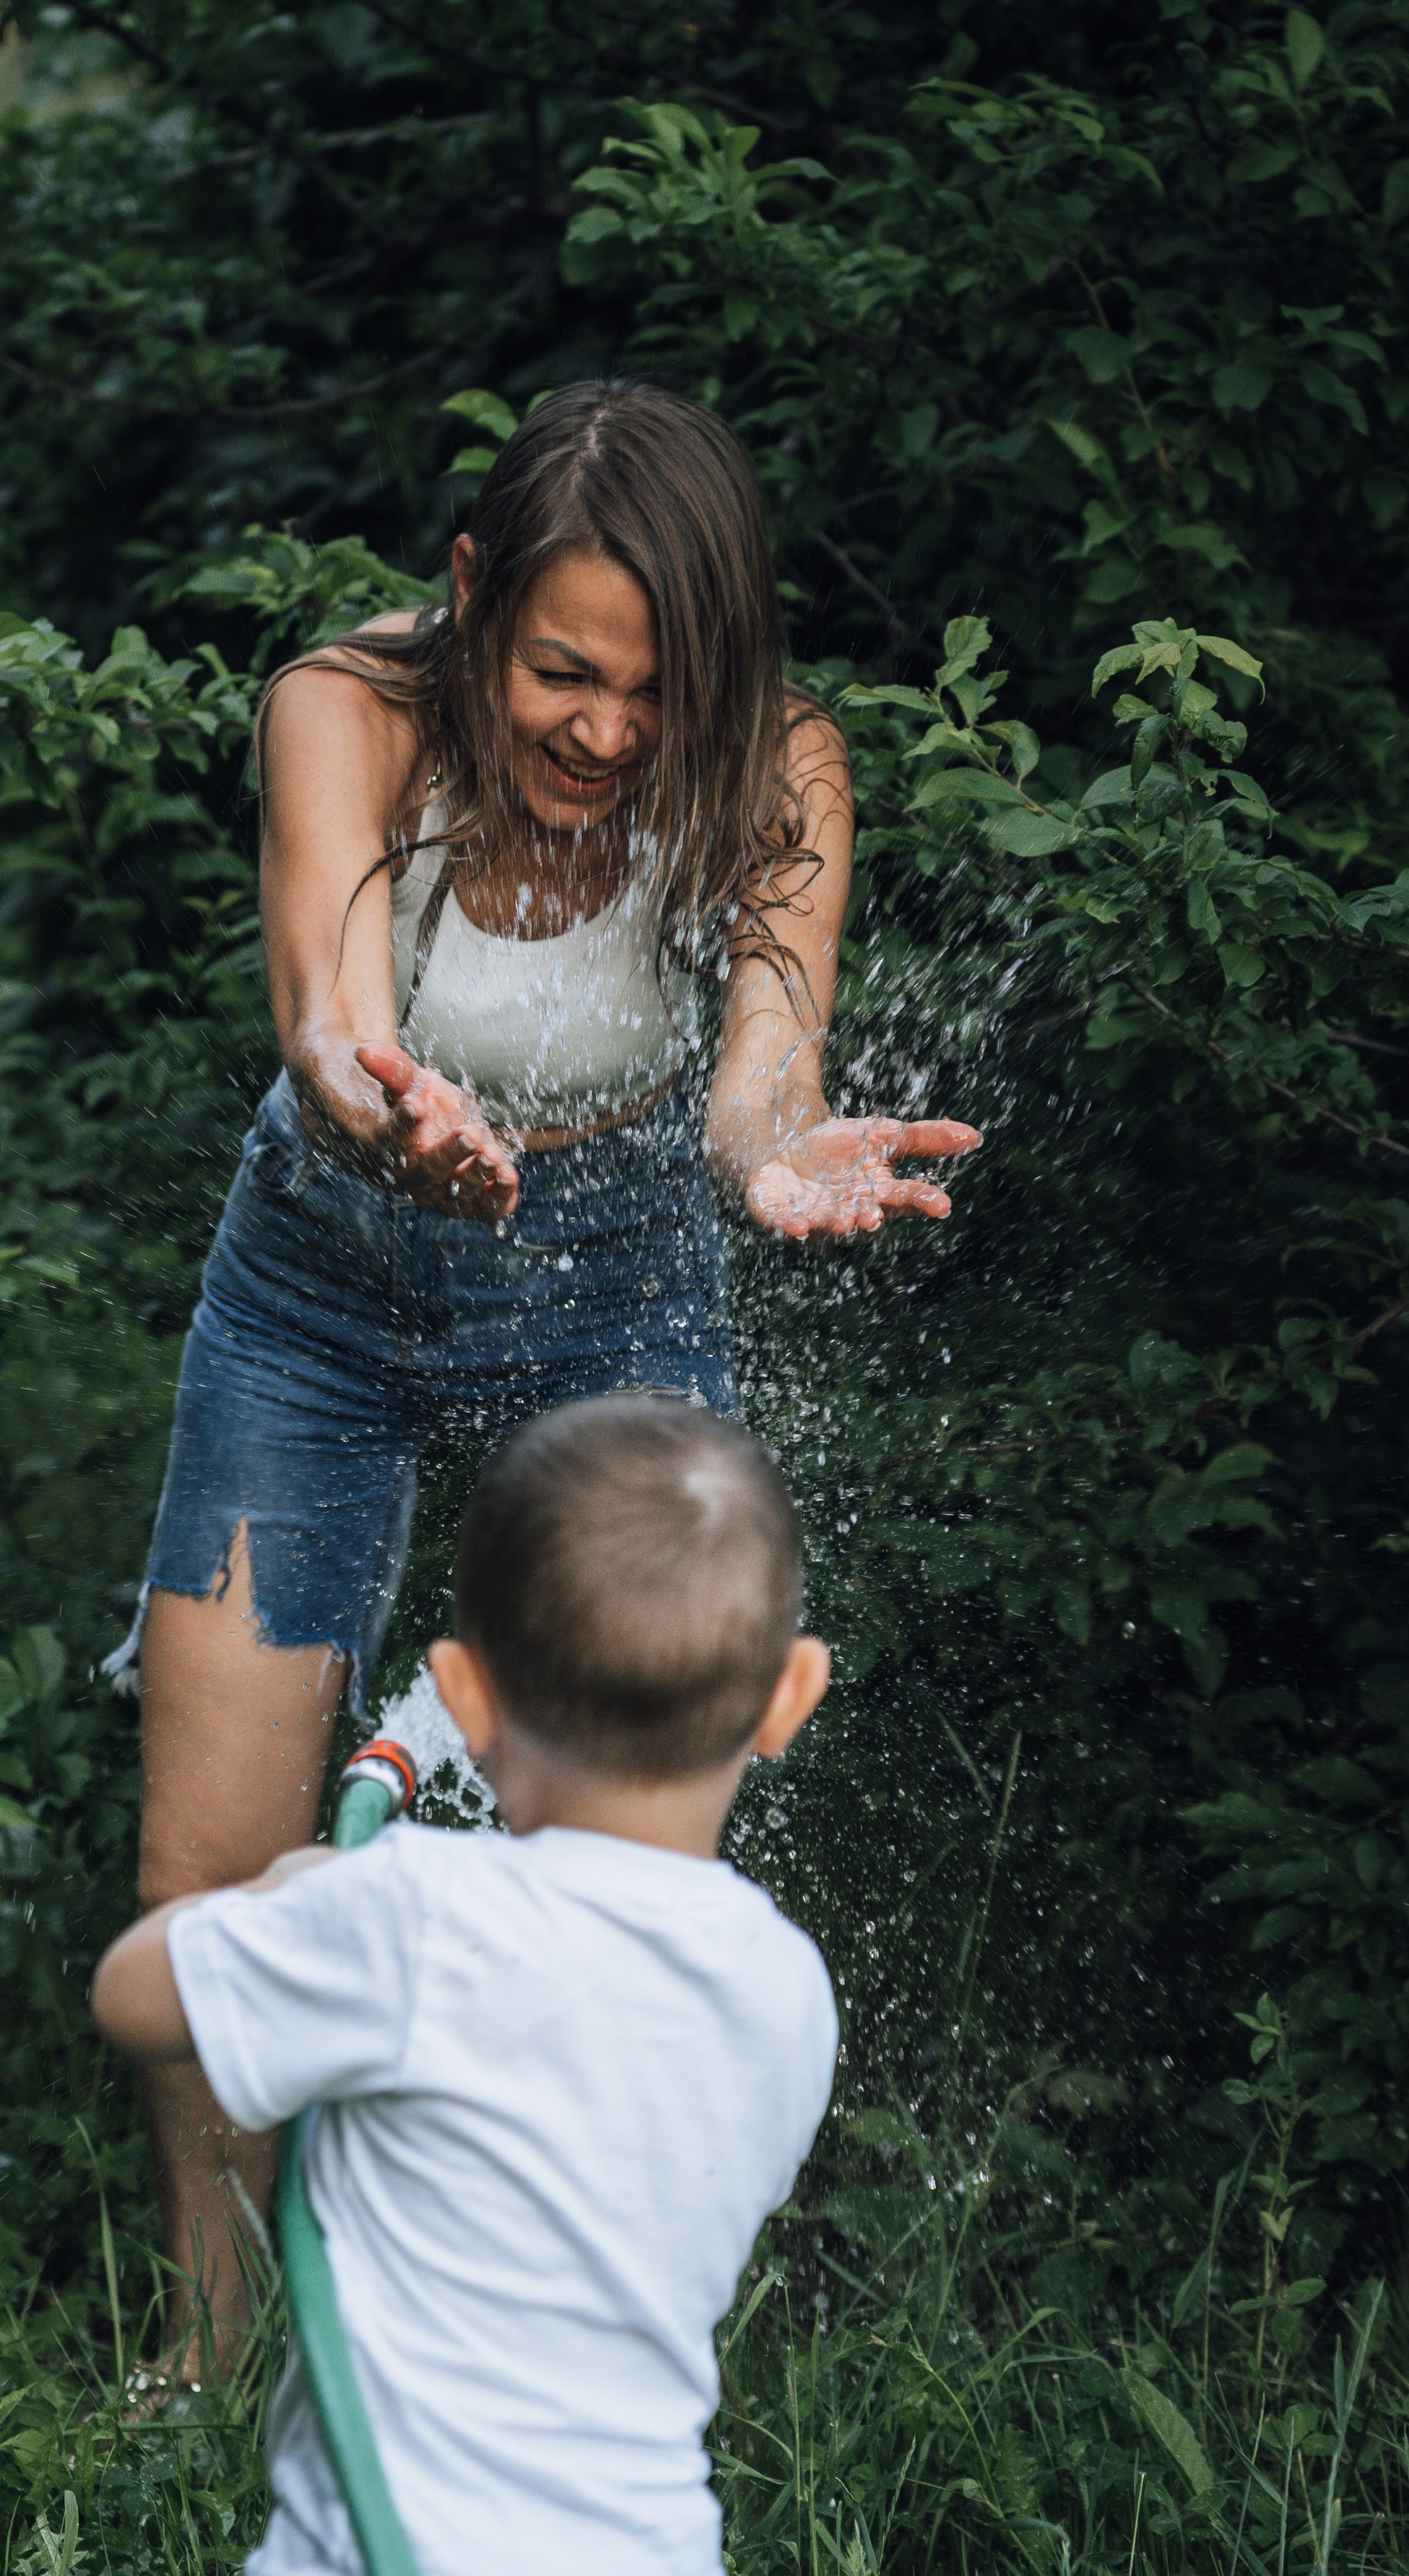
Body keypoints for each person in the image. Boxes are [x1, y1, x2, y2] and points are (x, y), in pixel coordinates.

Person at [121, 378, 975, 2379]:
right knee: (216, 1865)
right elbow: (331, 1024)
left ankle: (501, 2339)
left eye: (653, 690)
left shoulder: (783, 773)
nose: (605, 730)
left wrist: (775, 1154)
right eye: (561, 671)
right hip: (318, 1286)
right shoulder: (346, 709)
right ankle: (215, 2352)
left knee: (587, 1872)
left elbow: (763, 1065)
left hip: (612, 1287)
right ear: (472, 596)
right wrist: (377, 1107)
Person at [92, 1393, 839, 2576]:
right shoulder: (786, 1982)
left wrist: (293, 1894)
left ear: (469, 1696)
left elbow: (135, 1997)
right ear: (792, 1695)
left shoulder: (412, 1921)